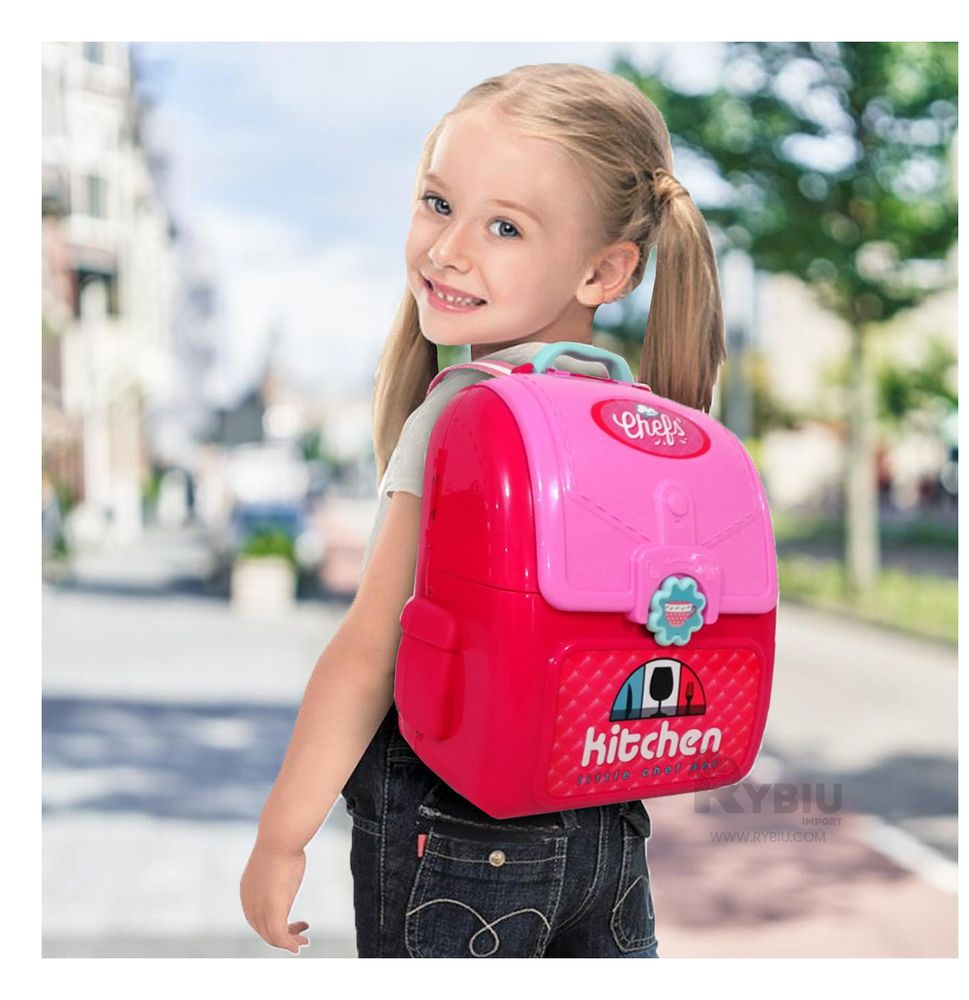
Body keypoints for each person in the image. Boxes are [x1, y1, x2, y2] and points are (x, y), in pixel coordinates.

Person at [240, 61, 725, 959]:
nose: (448, 248)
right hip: (605, 820)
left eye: (504, 226)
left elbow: (370, 649)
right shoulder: (642, 420)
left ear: (605, 270)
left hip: (458, 826)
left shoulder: (467, 413)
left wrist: (283, 833)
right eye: (436, 203)